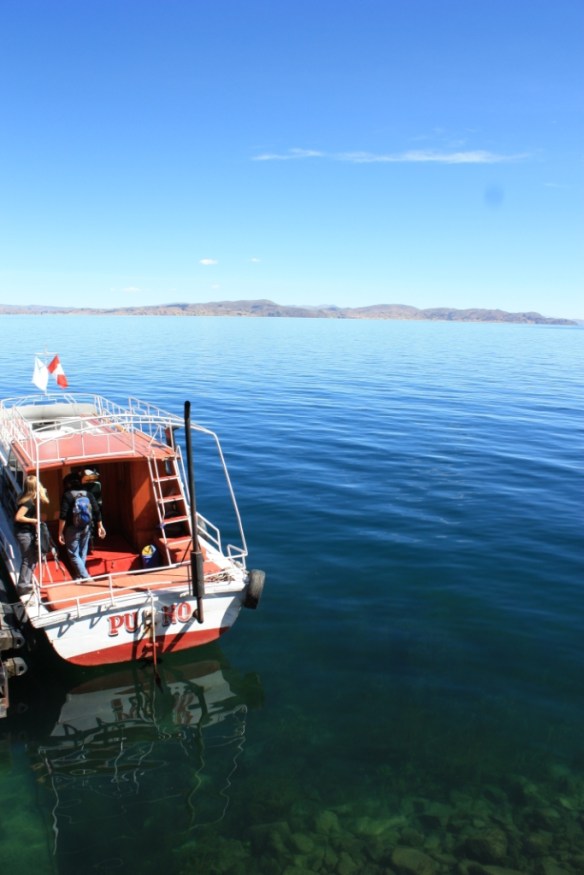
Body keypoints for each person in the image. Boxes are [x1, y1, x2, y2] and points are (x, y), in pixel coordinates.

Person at [58, 472, 106, 580]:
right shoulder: (88, 493)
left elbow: (63, 515)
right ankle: (79, 575)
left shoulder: (67, 495)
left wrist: (60, 532)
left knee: (73, 554)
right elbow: (97, 510)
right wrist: (100, 526)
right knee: (82, 552)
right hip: (86, 527)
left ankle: (85, 576)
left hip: (72, 528)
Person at [14, 474, 49, 596]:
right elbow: (18, 517)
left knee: (31, 558)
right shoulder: (28, 503)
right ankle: (23, 585)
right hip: (24, 533)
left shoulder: (23, 497)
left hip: (23, 532)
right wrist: (34, 521)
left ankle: (26, 582)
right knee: (28, 558)